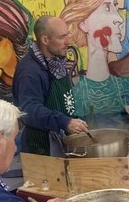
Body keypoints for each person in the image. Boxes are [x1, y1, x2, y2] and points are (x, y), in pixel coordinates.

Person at [59, 0, 129, 117]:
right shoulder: (74, 94)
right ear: (83, 23)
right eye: (107, 7)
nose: (119, 19)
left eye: (115, 6)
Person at [13, 15, 89, 155]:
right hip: (41, 149)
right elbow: (28, 111)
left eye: (67, 35)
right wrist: (64, 122)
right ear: (45, 40)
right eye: (62, 37)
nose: (68, 41)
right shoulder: (29, 71)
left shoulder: (57, 62)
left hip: (61, 143)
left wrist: (72, 121)